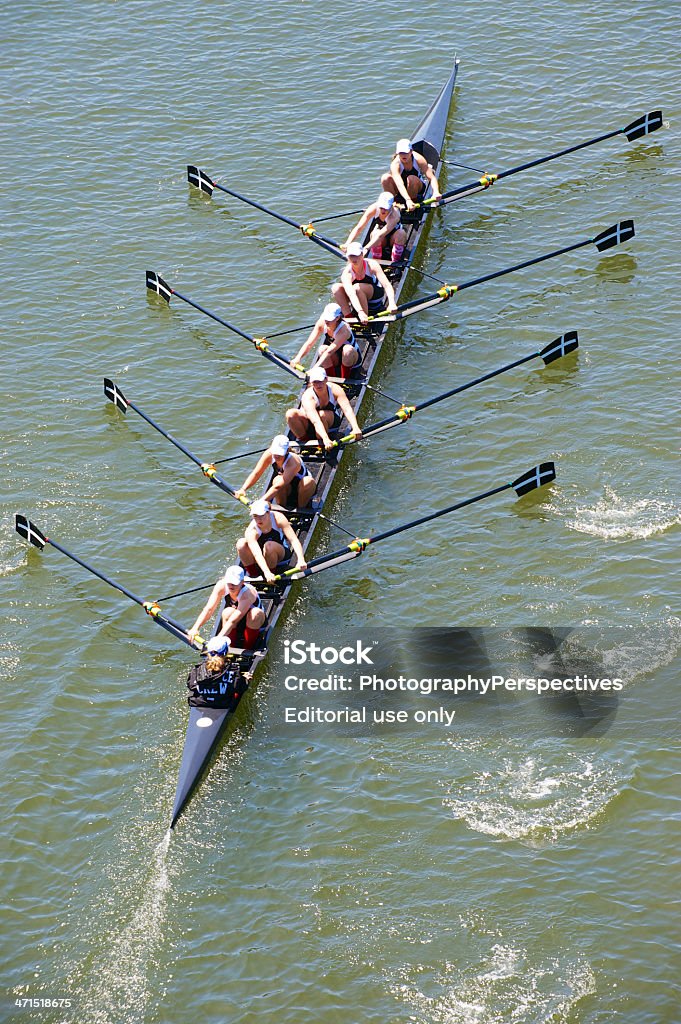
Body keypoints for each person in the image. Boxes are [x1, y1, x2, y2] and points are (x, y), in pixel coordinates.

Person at [188, 565, 265, 650]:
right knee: (227, 612)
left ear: (242, 582)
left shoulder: (247, 594)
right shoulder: (221, 585)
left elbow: (233, 621)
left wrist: (218, 638)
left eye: (234, 583)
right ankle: (229, 647)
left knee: (255, 614)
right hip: (236, 621)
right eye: (229, 582)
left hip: (254, 622)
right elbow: (209, 609)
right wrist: (195, 628)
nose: (231, 586)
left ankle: (248, 648)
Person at [285, 366, 362, 450]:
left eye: (321, 381)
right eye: (315, 382)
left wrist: (355, 427)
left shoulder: (335, 389)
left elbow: (347, 409)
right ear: (311, 382)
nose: (318, 385)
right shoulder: (308, 397)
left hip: (331, 423)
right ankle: (305, 443)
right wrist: (326, 439)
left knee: (322, 415)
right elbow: (315, 421)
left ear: (326, 379)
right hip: (313, 423)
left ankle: (320, 443)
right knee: (290, 414)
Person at [234, 434, 317, 509]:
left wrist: (260, 502)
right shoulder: (269, 454)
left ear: (287, 450)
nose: (276, 456)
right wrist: (243, 489)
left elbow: (277, 487)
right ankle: (281, 508)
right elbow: (256, 473)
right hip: (287, 489)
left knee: (307, 482)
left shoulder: (293, 462)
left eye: (280, 453)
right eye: (275, 452)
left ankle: (301, 510)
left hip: (303, 489)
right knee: (277, 479)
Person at [236, 498, 308, 584]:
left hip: (281, 555)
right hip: (262, 558)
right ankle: (254, 576)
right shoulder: (251, 531)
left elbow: (293, 540)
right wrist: (266, 572)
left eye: (261, 515)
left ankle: (272, 575)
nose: (258, 520)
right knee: (241, 544)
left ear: (268, 512)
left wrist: (301, 559)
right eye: (255, 516)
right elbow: (257, 554)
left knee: (269, 546)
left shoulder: (278, 518)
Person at [290, 303, 361, 380]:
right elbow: (309, 343)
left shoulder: (343, 330)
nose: (326, 321)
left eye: (329, 319)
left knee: (347, 350)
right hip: (336, 357)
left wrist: (314, 369)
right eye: (325, 318)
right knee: (322, 349)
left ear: (337, 318)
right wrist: (298, 358)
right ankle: (330, 379)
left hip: (351, 358)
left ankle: (345, 381)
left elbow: (329, 352)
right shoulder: (321, 323)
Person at [331, 242, 398, 323]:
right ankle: (349, 318)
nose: (354, 259)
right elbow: (351, 294)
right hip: (357, 298)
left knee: (357, 287)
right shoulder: (347, 273)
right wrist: (360, 311)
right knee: (336, 288)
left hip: (375, 297)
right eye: (351, 256)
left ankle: (365, 321)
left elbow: (387, 285)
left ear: (362, 254)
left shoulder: (371, 264)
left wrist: (392, 303)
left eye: (356, 255)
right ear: (347, 257)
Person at [343, 191, 408, 265]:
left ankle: (395, 263)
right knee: (374, 233)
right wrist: (348, 243)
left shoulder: (395, 215)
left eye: (386, 208)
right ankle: (376, 263)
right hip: (381, 240)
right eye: (381, 207)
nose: (383, 211)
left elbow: (380, 235)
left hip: (393, 240)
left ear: (391, 206)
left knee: (401, 233)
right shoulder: (373, 208)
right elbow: (359, 227)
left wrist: (366, 248)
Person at [381, 138, 442, 211]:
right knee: (385, 178)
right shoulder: (395, 164)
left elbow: (432, 178)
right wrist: (407, 199)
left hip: (416, 187)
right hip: (401, 189)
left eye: (406, 153)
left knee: (411, 179)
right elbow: (399, 184)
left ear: (411, 151)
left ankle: (413, 204)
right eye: (401, 153)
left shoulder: (419, 159)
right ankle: (393, 204)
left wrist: (435, 192)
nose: (403, 155)